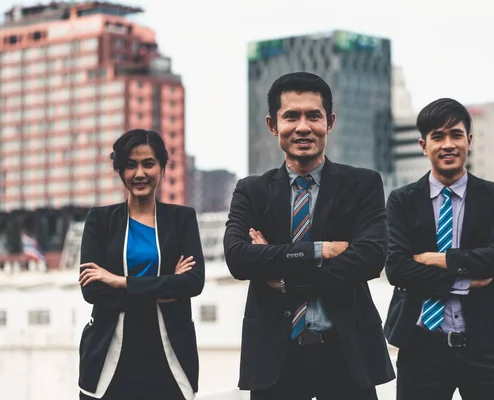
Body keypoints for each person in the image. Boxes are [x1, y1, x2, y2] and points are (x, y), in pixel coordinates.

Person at [223, 72, 394, 400]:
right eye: (291, 116)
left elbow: (370, 258)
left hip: (347, 355)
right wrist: (319, 250)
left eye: (313, 115)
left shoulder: (362, 184)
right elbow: (239, 259)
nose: (303, 127)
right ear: (273, 125)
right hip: (275, 358)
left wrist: (283, 276)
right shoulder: (252, 191)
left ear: (329, 122)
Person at [384, 98, 494, 400]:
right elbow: (397, 268)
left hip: (486, 342)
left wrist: (440, 259)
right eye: (438, 137)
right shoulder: (401, 201)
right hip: (421, 345)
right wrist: (464, 280)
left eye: (456, 135)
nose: (448, 144)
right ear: (423, 145)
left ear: (468, 141)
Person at [77, 129, 205, 400]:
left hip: (168, 356)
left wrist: (121, 281)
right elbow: (93, 290)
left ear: (162, 167)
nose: (139, 173)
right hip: (108, 357)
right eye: (130, 165)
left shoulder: (181, 219)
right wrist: (165, 288)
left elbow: (193, 282)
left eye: (148, 163)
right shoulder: (100, 221)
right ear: (120, 170)